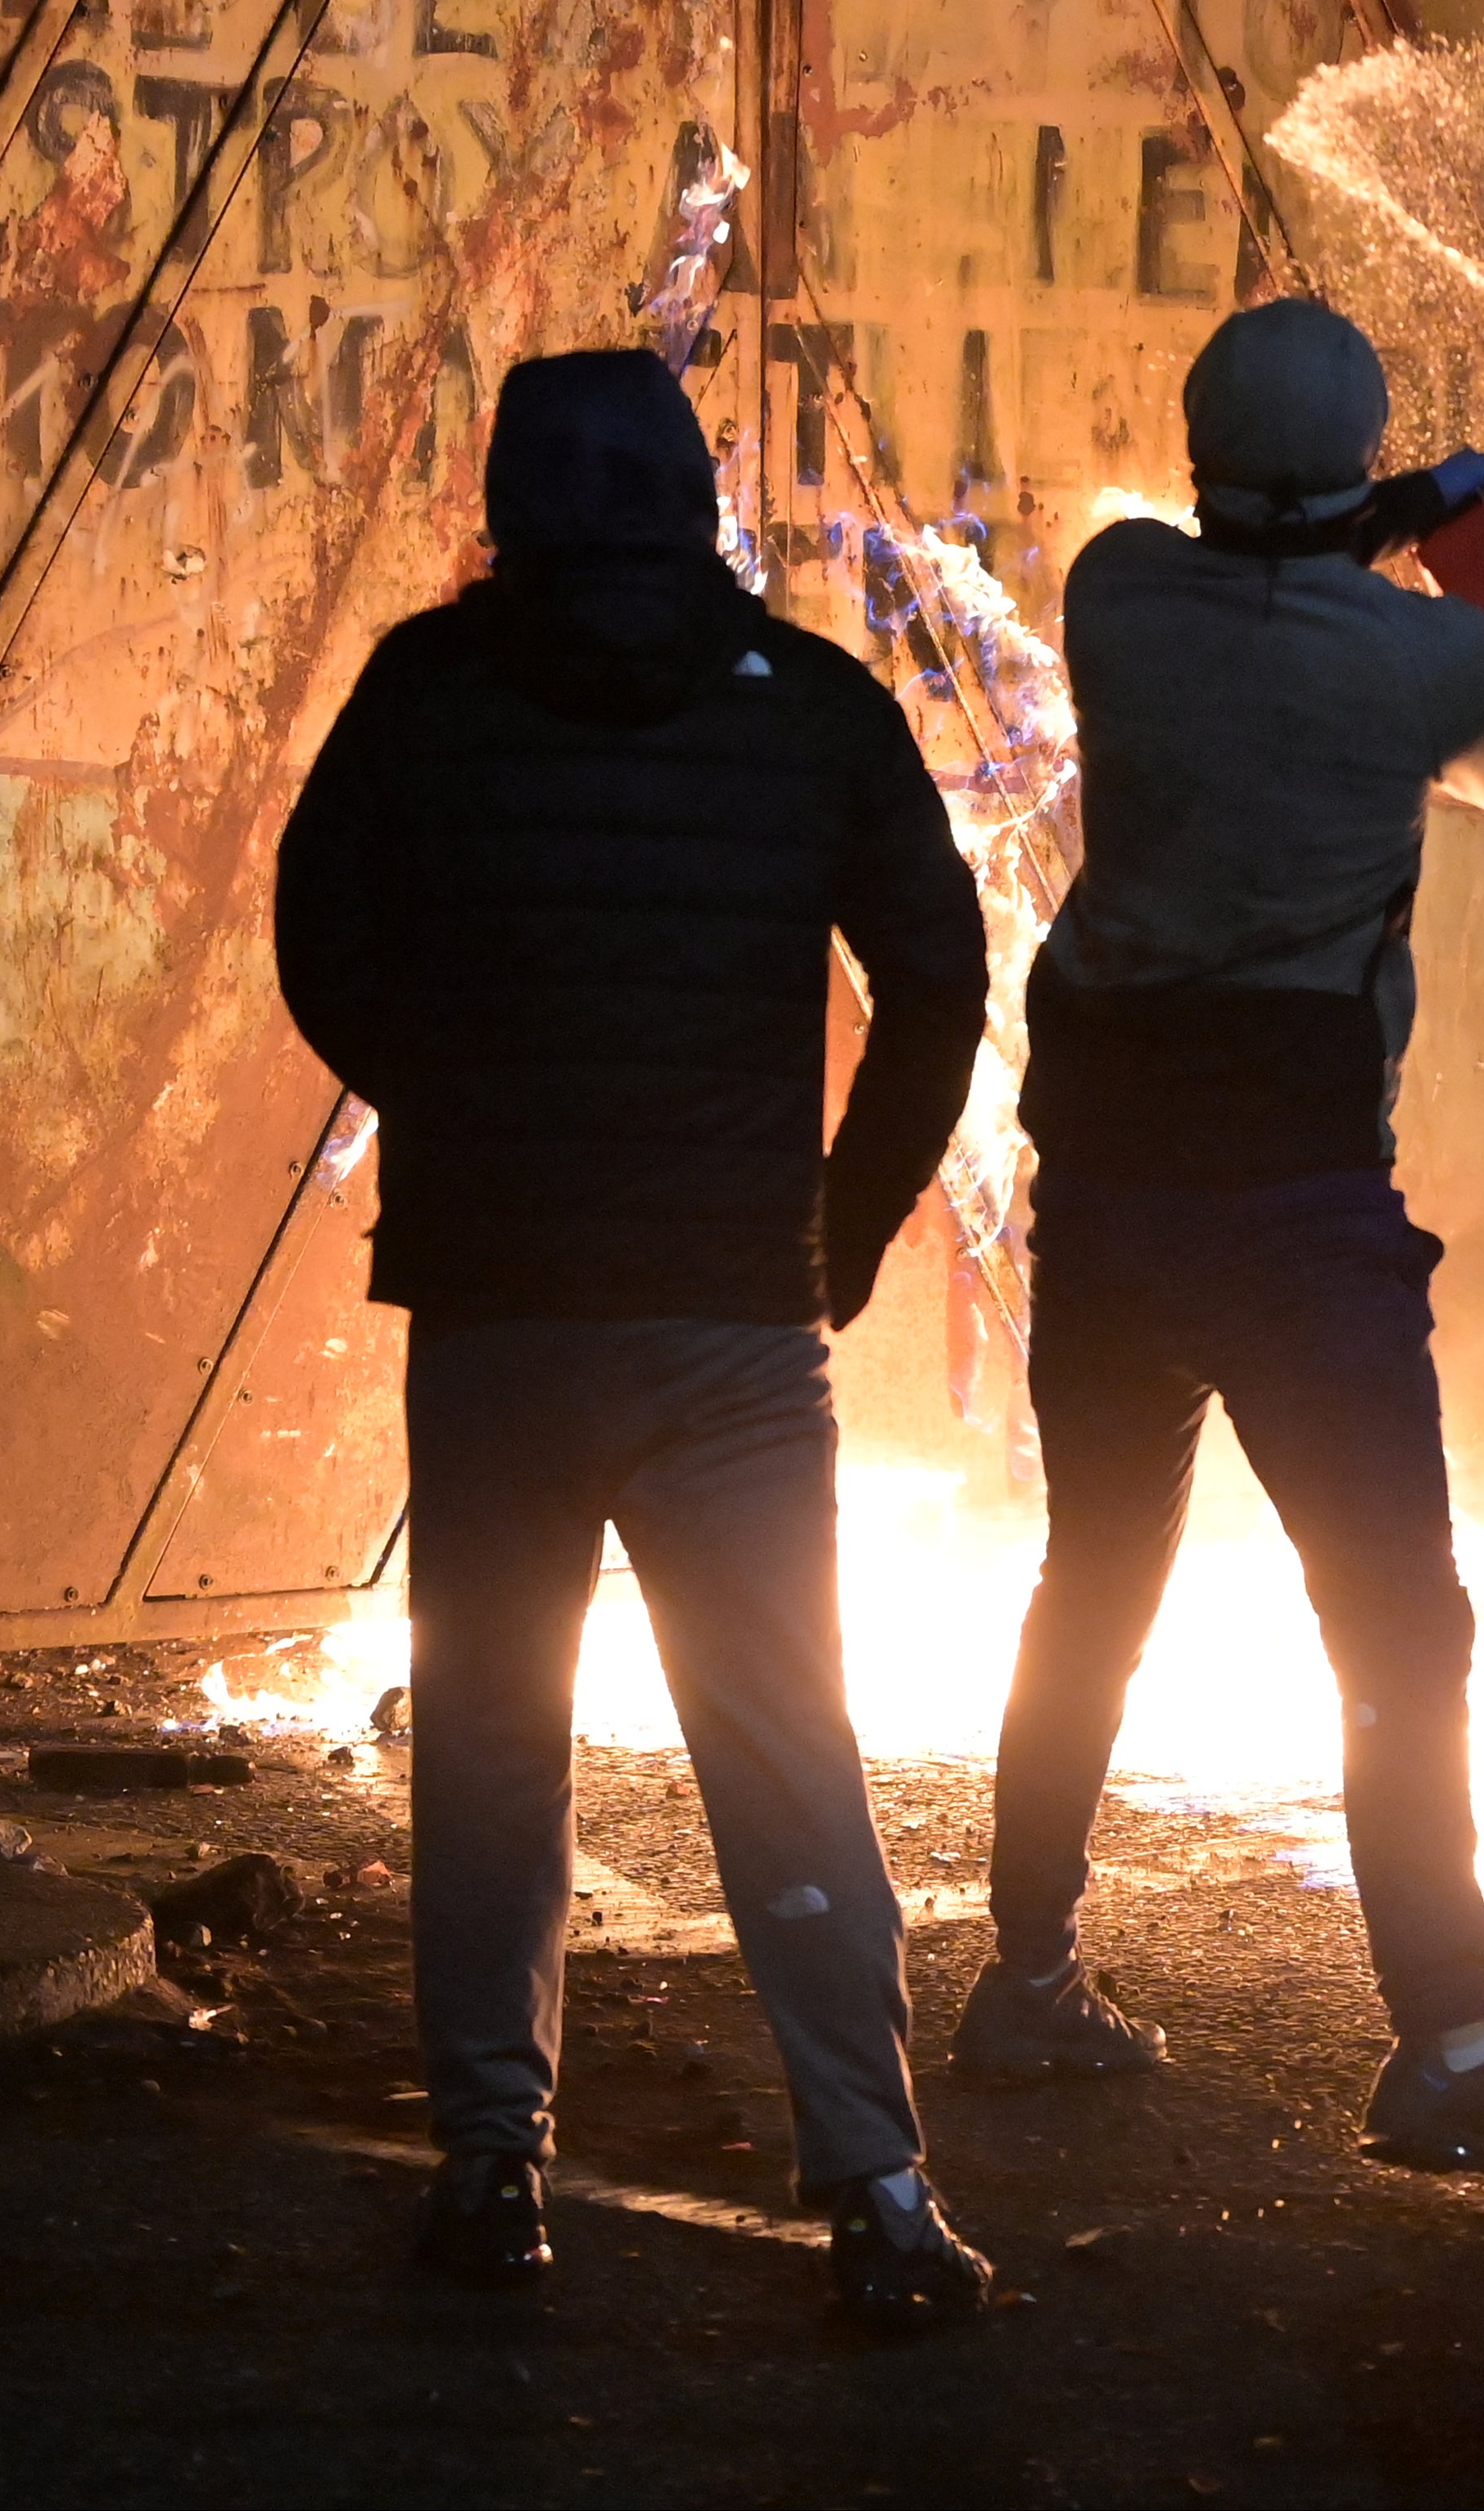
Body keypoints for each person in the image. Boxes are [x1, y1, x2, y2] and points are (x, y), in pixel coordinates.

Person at [274, 347, 998, 2325]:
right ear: (694, 502)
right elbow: (941, 972)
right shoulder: (818, 712)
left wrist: (446, 1100)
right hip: (731, 1325)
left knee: (499, 1739)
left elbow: (316, 930)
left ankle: (494, 2163)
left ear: (511, 507)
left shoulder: (428, 693)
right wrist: (837, 1229)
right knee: (786, 1747)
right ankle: (879, 2184)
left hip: (500, 1310)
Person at [952, 297, 1484, 2203]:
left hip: (1108, 1175)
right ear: (1359, 467)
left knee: (1091, 1580)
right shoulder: (1425, 665)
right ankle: (1446, 2044)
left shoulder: (1116, 597)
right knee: (1399, 1627)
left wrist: (1413, 497)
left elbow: (1254, 554)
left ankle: (1026, 1977)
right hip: (1297, 1198)